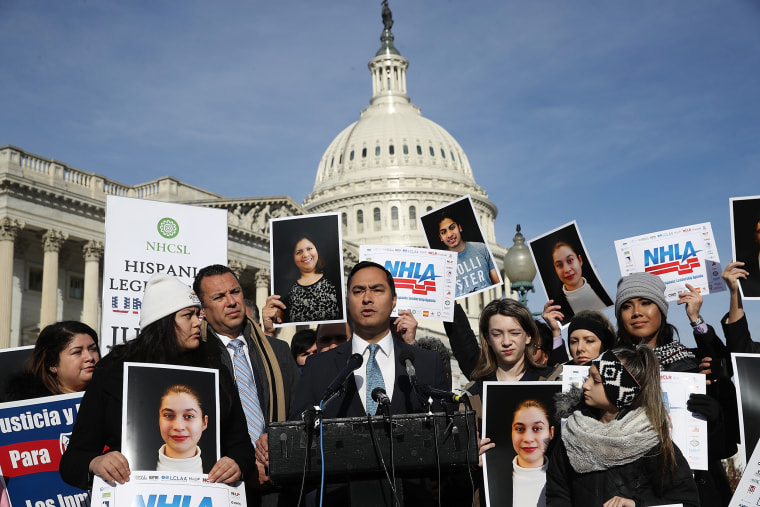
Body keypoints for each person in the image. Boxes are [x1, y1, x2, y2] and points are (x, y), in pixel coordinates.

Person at [59, 273, 255, 489]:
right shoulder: (114, 371)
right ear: (163, 322)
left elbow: (241, 445)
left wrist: (236, 464)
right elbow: (73, 459)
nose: (198, 322)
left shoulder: (213, 365)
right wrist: (96, 462)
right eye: (188, 315)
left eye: (198, 314)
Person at [284, 261, 448, 505]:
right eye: (358, 291)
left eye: (377, 290)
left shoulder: (425, 363)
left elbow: (445, 436)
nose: (367, 298)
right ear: (348, 301)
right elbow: (299, 435)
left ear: (394, 299)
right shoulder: (318, 367)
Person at [615, 272, 738, 506]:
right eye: (627, 306)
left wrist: (714, 417)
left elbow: (725, 445)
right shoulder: (607, 369)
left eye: (646, 302)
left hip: (695, 488)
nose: (637, 312)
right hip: (630, 490)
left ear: (661, 309)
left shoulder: (693, 364)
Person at [193, 264, 298, 501]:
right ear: (203, 309)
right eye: (219, 297)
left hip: (280, 483)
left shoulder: (279, 352)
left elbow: (299, 410)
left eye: (235, 292)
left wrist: (278, 442)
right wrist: (244, 464)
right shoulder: (195, 358)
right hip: (221, 485)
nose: (231, 302)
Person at [546, 347, 699, 507]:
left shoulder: (650, 440)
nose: (585, 385)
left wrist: (636, 505)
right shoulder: (573, 432)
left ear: (621, 390)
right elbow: (557, 491)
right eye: (588, 377)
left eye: (596, 381)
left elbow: (686, 501)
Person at [6, 321, 100, 400]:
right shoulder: (29, 410)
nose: (89, 357)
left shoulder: (110, 397)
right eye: (77, 352)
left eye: (93, 349)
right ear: (52, 364)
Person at [268, 234, 341, 324]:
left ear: (317, 250)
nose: (305, 255)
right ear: (293, 258)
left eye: (309, 249)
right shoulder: (285, 292)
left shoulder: (335, 281)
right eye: (299, 252)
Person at [436, 213, 499, 297]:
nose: (449, 235)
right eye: (443, 232)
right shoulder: (441, 264)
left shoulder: (481, 248)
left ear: (460, 228)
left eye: (452, 227)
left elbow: (497, 281)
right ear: (440, 237)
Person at [549, 242, 611, 322]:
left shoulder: (604, 287)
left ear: (580, 260)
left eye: (570, 260)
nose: (567, 270)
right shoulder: (557, 309)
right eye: (559, 265)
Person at [157, 384, 208, 473]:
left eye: (189, 416)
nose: (178, 427)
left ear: (204, 422)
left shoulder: (221, 468)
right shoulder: (133, 464)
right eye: (168, 415)